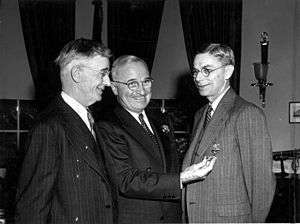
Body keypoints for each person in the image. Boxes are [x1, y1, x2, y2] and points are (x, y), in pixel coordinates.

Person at [97, 55, 216, 224]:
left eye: (146, 81)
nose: (142, 90)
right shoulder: (107, 126)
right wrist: (182, 178)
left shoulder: (161, 120)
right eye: (132, 84)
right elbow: (126, 181)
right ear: (115, 88)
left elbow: (169, 168)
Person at [15, 38, 118, 224]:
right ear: (77, 74)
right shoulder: (49, 127)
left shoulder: (91, 120)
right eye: (102, 73)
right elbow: (32, 208)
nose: (108, 82)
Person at [182, 43, 276, 223]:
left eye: (206, 70)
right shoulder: (200, 114)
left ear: (227, 72)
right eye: (195, 71)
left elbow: (262, 185)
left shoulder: (247, 114)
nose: (198, 78)